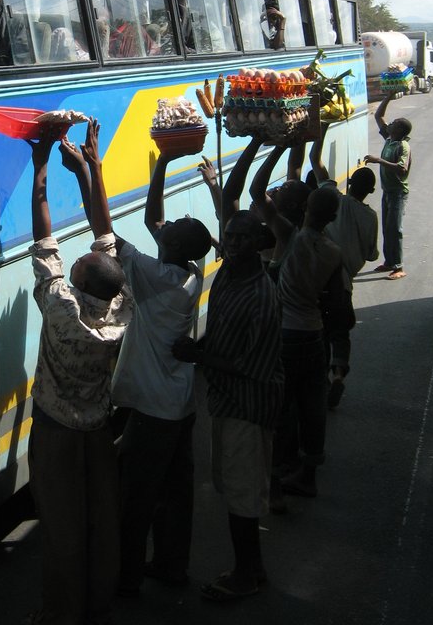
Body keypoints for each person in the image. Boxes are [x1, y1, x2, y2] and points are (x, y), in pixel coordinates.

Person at [26, 121, 132, 625]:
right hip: (97, 428)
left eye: (81, 264)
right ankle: (98, 598)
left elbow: (44, 237)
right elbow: (105, 234)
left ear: (81, 279)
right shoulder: (119, 308)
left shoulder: (64, 313)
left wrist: (41, 162)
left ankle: (60, 613)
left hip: (57, 431)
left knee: (62, 526)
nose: (81, 260)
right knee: (100, 518)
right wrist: (91, 169)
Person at [173, 170, 283, 601]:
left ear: (260, 245)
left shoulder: (259, 296)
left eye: (241, 240)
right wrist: (218, 187)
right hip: (225, 402)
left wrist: (197, 355)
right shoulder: (231, 272)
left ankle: (247, 574)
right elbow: (228, 214)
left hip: (247, 406)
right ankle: (251, 569)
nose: (231, 245)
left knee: (241, 496)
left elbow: (245, 364)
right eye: (228, 238)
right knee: (233, 488)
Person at [111, 150, 212, 597]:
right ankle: (172, 564)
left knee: (135, 496)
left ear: (171, 245)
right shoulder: (189, 270)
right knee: (175, 492)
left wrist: (91, 173)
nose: (175, 218)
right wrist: (161, 165)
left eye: (179, 224)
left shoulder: (158, 277)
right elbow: (156, 219)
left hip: (155, 411)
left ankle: (127, 579)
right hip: (180, 403)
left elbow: (104, 231)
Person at [250, 139, 349, 500]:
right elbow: (336, 302)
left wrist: (272, 147)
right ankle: (308, 473)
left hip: (287, 335)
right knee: (312, 407)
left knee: (281, 408)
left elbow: (255, 190)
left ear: (306, 208)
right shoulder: (333, 252)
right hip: (314, 335)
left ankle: (275, 482)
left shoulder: (290, 237)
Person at [309, 122, 379, 408]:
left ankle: (324, 381)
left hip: (321, 280)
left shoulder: (333, 202)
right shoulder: (370, 216)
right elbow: (372, 254)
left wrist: (320, 128)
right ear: (371, 190)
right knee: (340, 332)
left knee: (322, 332)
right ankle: (338, 375)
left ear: (349, 184)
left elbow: (315, 161)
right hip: (345, 283)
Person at [364, 91, 412, 280]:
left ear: (399, 130)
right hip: (388, 191)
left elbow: (401, 168)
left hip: (398, 192)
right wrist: (389, 97)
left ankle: (399, 266)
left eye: (393, 124)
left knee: (395, 228)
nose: (389, 124)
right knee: (387, 227)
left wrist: (378, 161)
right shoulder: (390, 139)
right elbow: (378, 115)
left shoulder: (402, 146)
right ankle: (390, 261)